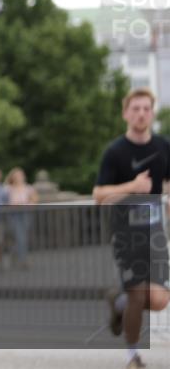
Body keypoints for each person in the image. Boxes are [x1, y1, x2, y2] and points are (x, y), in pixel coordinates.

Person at [93, 88, 170, 369]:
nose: (141, 113)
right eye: (135, 108)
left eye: (146, 108)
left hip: (155, 232)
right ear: (126, 113)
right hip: (125, 233)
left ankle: (119, 302)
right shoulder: (115, 152)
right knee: (138, 291)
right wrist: (132, 187)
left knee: (160, 300)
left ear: (152, 113)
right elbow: (100, 196)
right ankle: (132, 356)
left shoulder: (163, 147)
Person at [5, 167, 37, 270]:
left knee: (22, 237)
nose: (20, 177)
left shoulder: (28, 187)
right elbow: (4, 201)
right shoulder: (7, 189)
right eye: (18, 175)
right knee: (20, 237)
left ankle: (14, 255)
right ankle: (23, 261)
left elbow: (35, 199)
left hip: (25, 214)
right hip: (14, 215)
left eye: (21, 175)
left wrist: (29, 204)